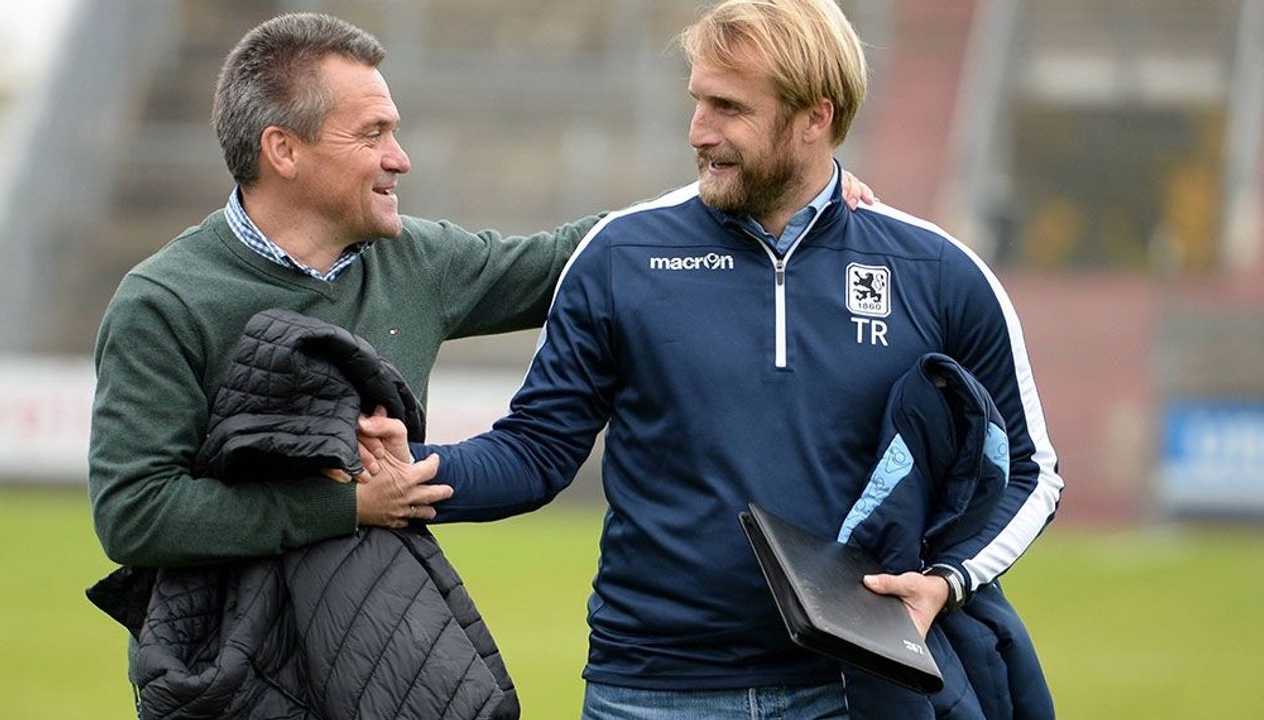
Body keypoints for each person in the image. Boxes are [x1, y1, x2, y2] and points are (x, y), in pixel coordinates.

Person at [85, 9, 874, 709]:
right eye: (372, 135)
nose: (400, 159)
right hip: (223, 662)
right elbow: (136, 513)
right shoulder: (166, 300)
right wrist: (344, 507)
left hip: (368, 643)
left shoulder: (416, 261)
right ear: (282, 151)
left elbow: (584, 253)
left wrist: (782, 186)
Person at [369, 0, 1064, 718]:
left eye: (729, 108)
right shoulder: (620, 255)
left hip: (851, 691)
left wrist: (947, 581)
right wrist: (417, 467)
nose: (699, 131)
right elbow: (536, 451)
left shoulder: (938, 272)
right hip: (649, 691)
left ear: (814, 117)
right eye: (698, 101)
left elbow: (1032, 468)